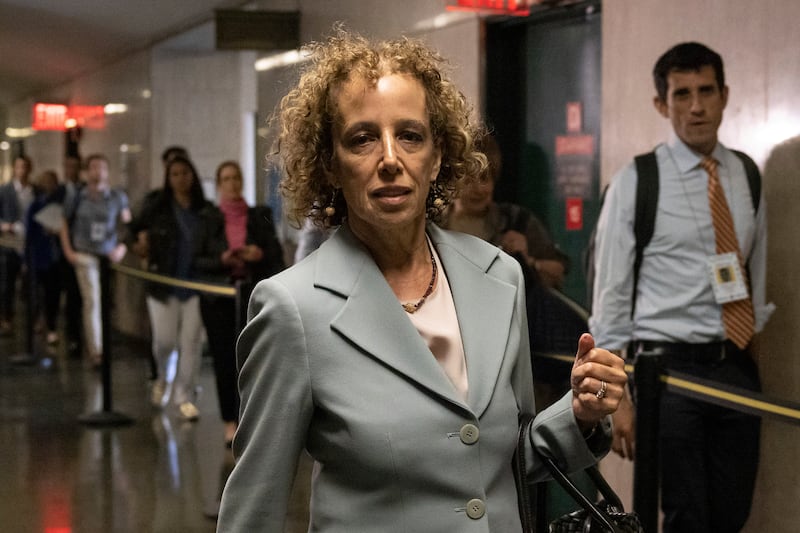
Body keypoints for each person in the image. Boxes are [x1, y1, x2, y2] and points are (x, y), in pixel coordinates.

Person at [217, 29, 627, 532]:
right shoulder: (293, 309)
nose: (390, 159)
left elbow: (505, 459)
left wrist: (580, 413)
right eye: (362, 138)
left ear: (437, 158)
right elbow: (254, 504)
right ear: (331, 164)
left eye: (410, 135)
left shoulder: (498, 276)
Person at [588, 42, 771, 533]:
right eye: (682, 94)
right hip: (667, 375)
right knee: (686, 516)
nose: (696, 106)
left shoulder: (746, 174)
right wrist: (617, 395)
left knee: (732, 513)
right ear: (661, 104)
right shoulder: (638, 181)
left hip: (733, 366)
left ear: (725, 95)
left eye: (706, 91)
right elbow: (611, 295)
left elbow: (756, 274)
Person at [129, 155, 227, 421]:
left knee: (191, 343)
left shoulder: (205, 211)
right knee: (165, 341)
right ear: (168, 178)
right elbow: (132, 228)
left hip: (195, 285)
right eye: (175, 174)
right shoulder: (157, 207)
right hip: (164, 284)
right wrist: (140, 244)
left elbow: (216, 243)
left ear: (193, 176)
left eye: (185, 173)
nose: (181, 179)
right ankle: (162, 376)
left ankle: (185, 396)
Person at [200, 160, 284, 445]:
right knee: (224, 359)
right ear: (219, 184)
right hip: (219, 298)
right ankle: (228, 420)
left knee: (252, 359)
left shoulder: (259, 215)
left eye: (237, 178)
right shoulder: (208, 219)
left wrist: (257, 255)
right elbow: (197, 260)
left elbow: (276, 255)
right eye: (226, 179)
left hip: (251, 296)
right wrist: (222, 259)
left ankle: (253, 418)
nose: (233, 183)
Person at [440, 134, 569, 289]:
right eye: (469, 180)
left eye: (485, 179)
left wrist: (529, 261)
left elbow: (558, 271)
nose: (478, 189)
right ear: (452, 181)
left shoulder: (516, 221)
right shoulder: (432, 225)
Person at [60, 154, 130, 367]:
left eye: (101, 167)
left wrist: (122, 247)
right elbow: (64, 222)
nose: (97, 172)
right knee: (92, 300)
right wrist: (68, 250)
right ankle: (96, 349)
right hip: (84, 253)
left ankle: (103, 343)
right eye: (93, 167)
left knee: (105, 301)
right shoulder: (77, 196)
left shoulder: (117, 197)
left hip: (107, 255)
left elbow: (127, 225)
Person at [25, 170, 64, 345]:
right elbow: (30, 233)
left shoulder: (60, 204)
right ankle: (38, 319)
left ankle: (52, 325)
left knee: (52, 293)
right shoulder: (36, 205)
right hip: (39, 256)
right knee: (37, 293)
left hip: (56, 257)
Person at [0, 155, 34, 336]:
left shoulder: (34, 190)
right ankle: (7, 318)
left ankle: (35, 318)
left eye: (25, 167)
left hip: (29, 242)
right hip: (10, 241)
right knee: (7, 283)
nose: (22, 170)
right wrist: (5, 226)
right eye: (19, 167)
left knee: (32, 283)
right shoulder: (5, 190)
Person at [61, 154, 84, 357]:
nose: (72, 170)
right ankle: (73, 336)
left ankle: (83, 336)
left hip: (83, 248)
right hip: (63, 251)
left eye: (75, 166)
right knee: (70, 295)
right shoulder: (61, 191)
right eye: (69, 166)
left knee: (81, 296)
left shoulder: (85, 191)